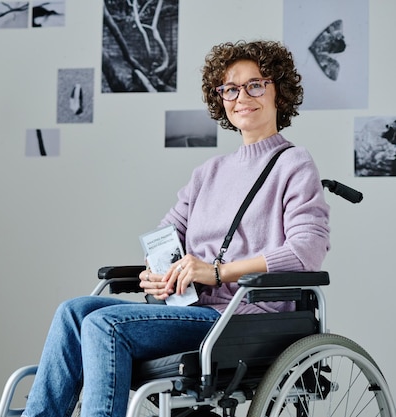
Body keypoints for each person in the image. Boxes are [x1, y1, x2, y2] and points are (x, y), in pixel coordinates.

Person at [21, 40, 330, 417]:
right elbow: (167, 234)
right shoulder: (208, 173)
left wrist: (218, 273)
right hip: (192, 311)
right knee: (74, 311)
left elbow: (307, 250)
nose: (241, 96)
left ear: (277, 90)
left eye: (255, 84)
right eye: (230, 88)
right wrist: (155, 273)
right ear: (221, 99)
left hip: (243, 317)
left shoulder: (294, 164)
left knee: (104, 324)